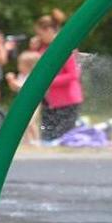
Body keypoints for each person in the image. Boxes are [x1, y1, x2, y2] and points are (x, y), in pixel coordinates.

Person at [32, 9, 85, 142]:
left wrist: (49, 81)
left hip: (67, 100)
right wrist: (33, 49)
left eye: (40, 34)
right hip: (51, 101)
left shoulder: (64, 47)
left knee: (63, 139)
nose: (38, 37)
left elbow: (73, 75)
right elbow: (34, 66)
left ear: (49, 30)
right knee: (47, 138)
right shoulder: (43, 48)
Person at [5, 51, 42, 143]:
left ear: (29, 66)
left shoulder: (31, 77)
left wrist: (12, 80)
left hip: (32, 103)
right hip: (23, 103)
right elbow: (14, 88)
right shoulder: (21, 76)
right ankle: (28, 141)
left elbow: (22, 87)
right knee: (23, 122)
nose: (18, 66)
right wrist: (11, 82)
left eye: (20, 64)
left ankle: (36, 141)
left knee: (30, 122)